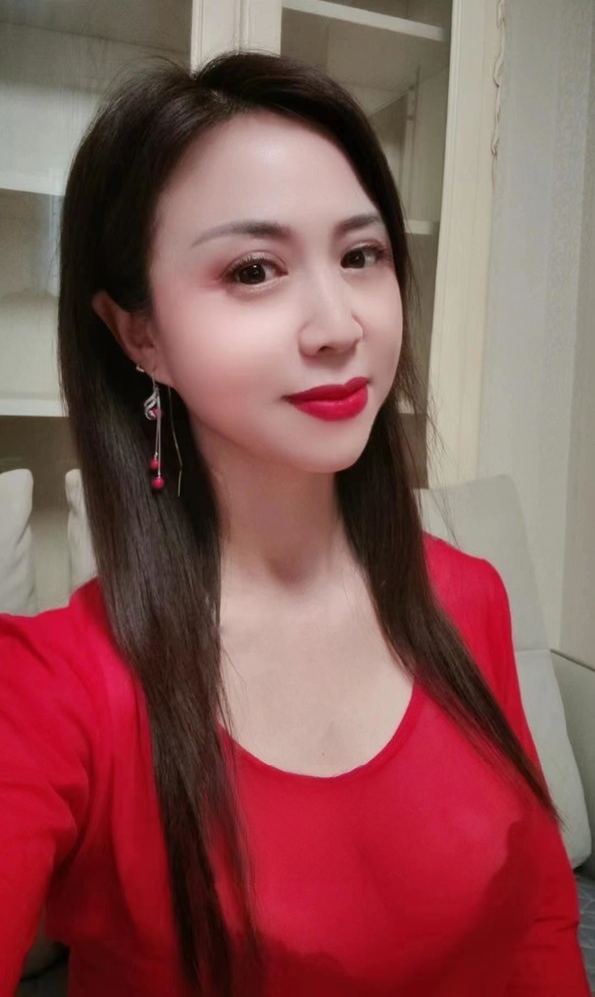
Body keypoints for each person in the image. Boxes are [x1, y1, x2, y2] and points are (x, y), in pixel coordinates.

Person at [0, 50, 589, 997]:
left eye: (360, 255)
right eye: (253, 269)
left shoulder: (466, 595)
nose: (338, 325)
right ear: (140, 335)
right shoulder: (56, 687)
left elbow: (536, 920)